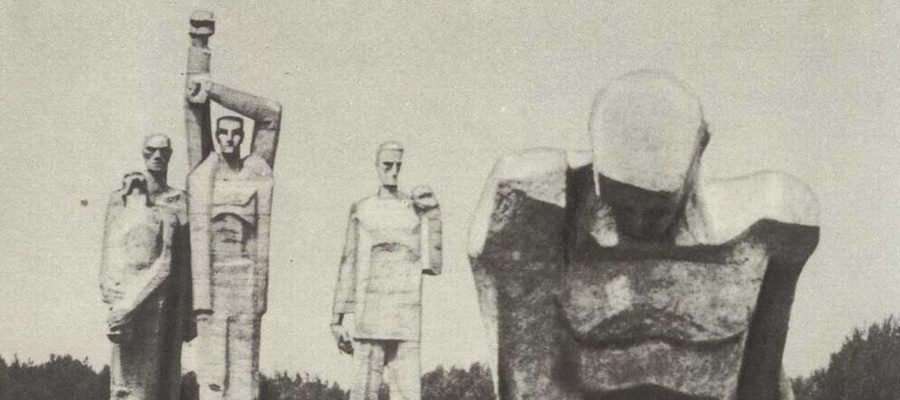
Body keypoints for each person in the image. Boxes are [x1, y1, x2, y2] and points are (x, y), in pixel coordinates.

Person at [468, 70, 818, 399]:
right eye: (620, 204)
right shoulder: (536, 209)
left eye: (657, 210)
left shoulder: (768, 225)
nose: (637, 223)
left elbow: (761, 378)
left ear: (700, 150)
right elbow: (529, 381)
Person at [184, 15, 283, 398]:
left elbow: (271, 113)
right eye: (221, 132)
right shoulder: (202, 170)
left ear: (243, 137)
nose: (227, 138)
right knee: (213, 377)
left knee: (245, 378)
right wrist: (199, 48)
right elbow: (192, 104)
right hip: (212, 281)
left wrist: (214, 92)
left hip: (246, 278)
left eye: (234, 133)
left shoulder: (257, 170)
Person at [331, 142, 443, 400]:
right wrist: (336, 319)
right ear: (377, 166)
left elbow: (433, 264)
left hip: (406, 315)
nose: (393, 172)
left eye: (398, 166)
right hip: (369, 314)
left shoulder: (415, 209)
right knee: (363, 391)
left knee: (407, 392)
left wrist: (433, 215)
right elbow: (349, 262)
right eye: (387, 165)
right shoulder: (362, 209)